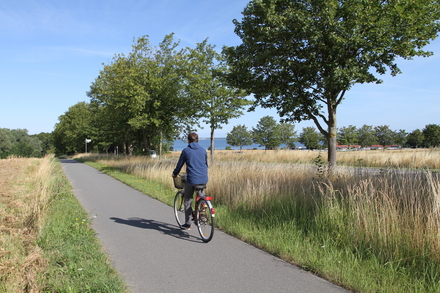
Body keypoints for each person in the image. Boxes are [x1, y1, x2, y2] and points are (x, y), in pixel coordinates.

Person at [172, 133, 208, 230]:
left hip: (191, 179)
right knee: (201, 196)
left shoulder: (186, 151)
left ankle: (188, 224)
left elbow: (179, 165)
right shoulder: (203, 151)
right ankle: (203, 208)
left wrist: (175, 173)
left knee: (187, 200)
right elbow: (206, 165)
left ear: (188, 141)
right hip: (203, 179)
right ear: (197, 140)